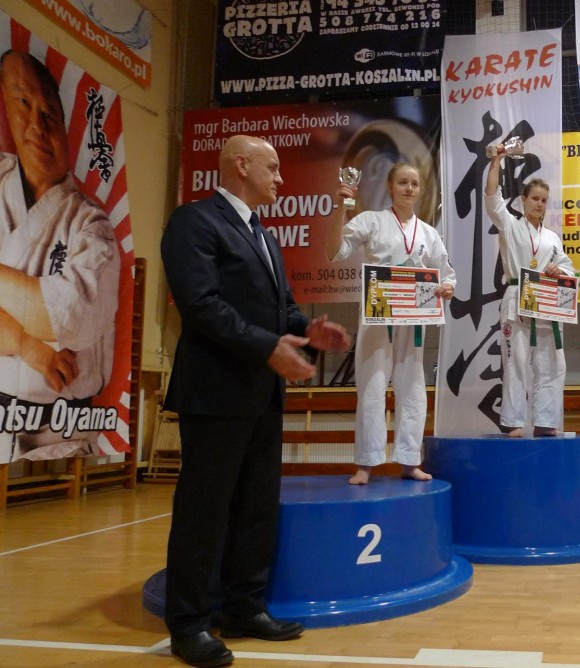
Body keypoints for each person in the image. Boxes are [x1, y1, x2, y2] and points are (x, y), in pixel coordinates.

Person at [161, 135, 352, 668]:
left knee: (255, 509)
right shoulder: (194, 221)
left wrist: (309, 332)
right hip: (216, 392)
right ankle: (189, 624)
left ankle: (245, 608)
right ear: (241, 165)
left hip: (263, 393)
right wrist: (268, 346)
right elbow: (199, 304)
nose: (281, 178)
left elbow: (283, 308)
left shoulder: (263, 235)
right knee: (204, 513)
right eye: (273, 167)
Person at [0, 49, 120, 462]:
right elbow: (39, 316)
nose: (37, 124)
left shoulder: (91, 225)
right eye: (22, 102)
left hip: (59, 425)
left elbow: (68, 319)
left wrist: (35, 321)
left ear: (65, 126)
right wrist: (27, 344)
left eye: (49, 114)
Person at [328, 162, 456, 485]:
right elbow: (336, 251)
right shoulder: (372, 220)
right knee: (371, 386)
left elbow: (447, 273)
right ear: (390, 186)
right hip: (378, 315)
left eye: (414, 183)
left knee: (413, 388)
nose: (409, 188)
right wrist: (339, 210)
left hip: (413, 318)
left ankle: (410, 461)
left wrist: (447, 287)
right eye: (403, 182)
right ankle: (365, 463)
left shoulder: (428, 233)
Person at [485, 144, 575, 437]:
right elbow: (492, 198)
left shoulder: (552, 238)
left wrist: (558, 271)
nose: (539, 204)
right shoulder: (510, 225)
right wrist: (496, 163)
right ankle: (513, 421)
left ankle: (546, 421)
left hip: (547, 304)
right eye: (535, 198)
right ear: (523, 200)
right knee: (516, 363)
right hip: (517, 301)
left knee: (553, 365)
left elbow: (569, 269)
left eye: (544, 200)